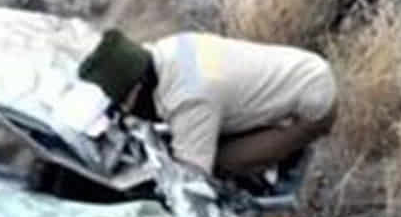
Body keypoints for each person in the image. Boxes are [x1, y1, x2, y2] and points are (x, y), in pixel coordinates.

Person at [76, 29, 339, 175]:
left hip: (313, 102)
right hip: (302, 68)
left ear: (139, 87)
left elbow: (193, 178)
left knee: (224, 163)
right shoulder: (167, 49)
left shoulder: (190, 100)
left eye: (124, 102)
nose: (125, 110)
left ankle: (283, 149)